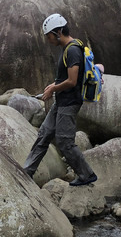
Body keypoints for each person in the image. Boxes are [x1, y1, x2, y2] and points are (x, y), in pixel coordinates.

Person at [21, 13, 97, 186]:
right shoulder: (69, 48)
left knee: (64, 142)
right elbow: (66, 77)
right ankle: (27, 172)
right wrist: (53, 86)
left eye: (49, 36)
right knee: (44, 134)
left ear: (58, 32)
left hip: (69, 103)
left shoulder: (72, 50)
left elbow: (72, 81)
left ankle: (87, 175)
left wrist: (54, 88)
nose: (48, 40)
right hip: (62, 101)